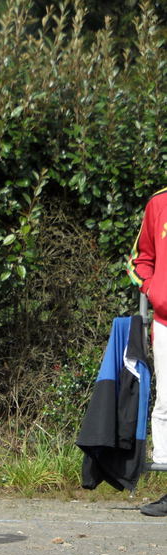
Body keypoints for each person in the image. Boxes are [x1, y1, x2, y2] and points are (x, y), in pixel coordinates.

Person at [128, 185, 167, 516]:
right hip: (166, 322)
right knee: (166, 404)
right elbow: (141, 259)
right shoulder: (158, 203)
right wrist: (153, 289)